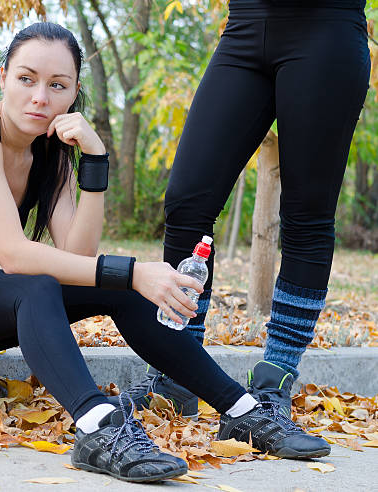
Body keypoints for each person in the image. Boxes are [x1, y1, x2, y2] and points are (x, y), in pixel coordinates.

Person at [0, 22, 329, 484]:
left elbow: (79, 259)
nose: (40, 97)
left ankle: (242, 410)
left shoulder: (50, 153)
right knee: (51, 282)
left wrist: (95, 161)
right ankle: (97, 426)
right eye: (26, 79)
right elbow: (16, 257)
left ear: (74, 92)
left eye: (57, 85)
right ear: (3, 77)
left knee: (119, 291)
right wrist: (133, 271)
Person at [119, 0, 371, 419]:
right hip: (244, 26)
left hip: (327, 26)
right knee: (187, 202)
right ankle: (179, 374)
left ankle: (275, 382)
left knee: (306, 215)